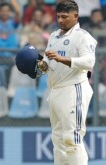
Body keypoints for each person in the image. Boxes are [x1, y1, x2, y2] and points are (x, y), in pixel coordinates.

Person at [16, 1, 97, 164]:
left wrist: (63, 59)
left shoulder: (83, 36)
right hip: (55, 90)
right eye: (58, 16)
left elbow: (89, 61)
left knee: (72, 139)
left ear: (76, 16)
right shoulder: (53, 36)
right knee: (58, 139)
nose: (60, 20)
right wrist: (37, 66)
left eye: (65, 17)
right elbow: (47, 64)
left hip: (74, 89)